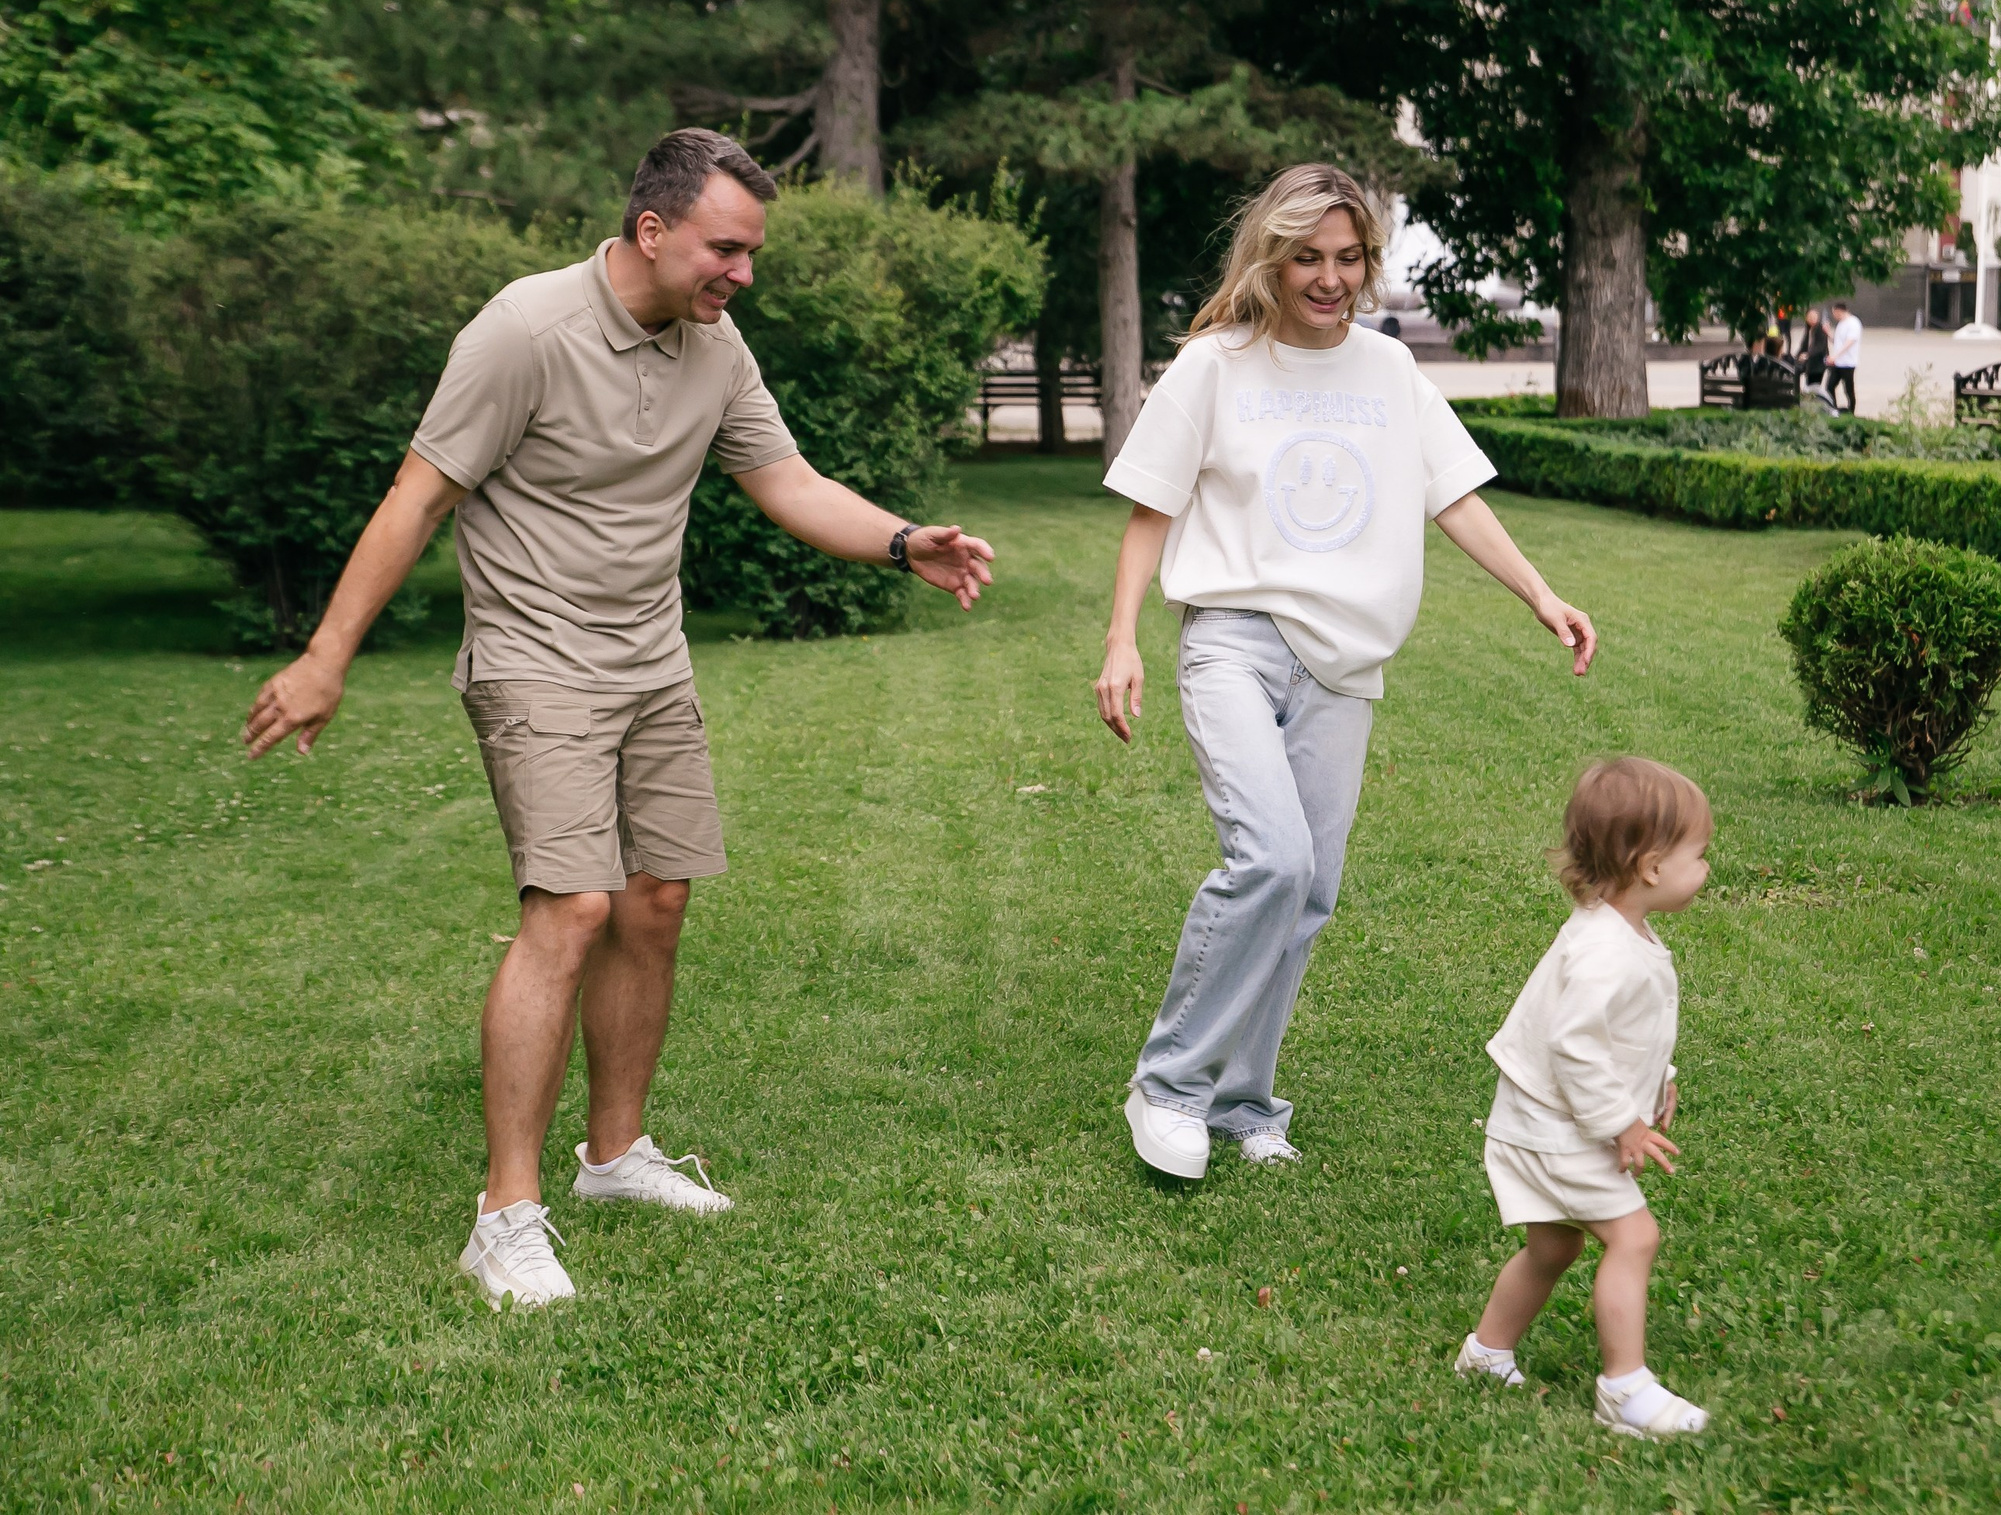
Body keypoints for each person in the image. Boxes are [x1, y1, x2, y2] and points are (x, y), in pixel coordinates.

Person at [239, 129, 997, 1311]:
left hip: (652, 658)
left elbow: (785, 481)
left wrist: (903, 542)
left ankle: (614, 1158)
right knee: (572, 907)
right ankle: (506, 1214)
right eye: (726, 249)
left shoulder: (713, 344)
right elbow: (419, 492)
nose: (743, 273)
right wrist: (327, 653)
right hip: (536, 658)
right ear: (653, 231)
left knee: (657, 901)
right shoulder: (526, 330)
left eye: (750, 253)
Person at [1095, 163, 1597, 1179]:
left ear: (1370, 262)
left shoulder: (1386, 372)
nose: (1329, 279)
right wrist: (1120, 640)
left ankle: (1242, 1102)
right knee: (1270, 859)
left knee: (1309, 889)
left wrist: (1540, 594)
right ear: (1270, 262)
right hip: (1233, 638)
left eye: (1348, 258)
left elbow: (1453, 495)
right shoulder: (1214, 366)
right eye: (1306, 259)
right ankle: (1168, 1085)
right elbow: (1151, 504)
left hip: (1343, 665)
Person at [1453, 757, 1713, 1439]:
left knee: (1553, 1248)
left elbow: (1618, 1031)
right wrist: (1621, 1121)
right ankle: (1625, 1389)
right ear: (1651, 866)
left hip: (1540, 1123)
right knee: (1635, 1235)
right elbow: (1573, 1043)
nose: (1707, 867)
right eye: (1699, 854)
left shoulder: (1619, 932)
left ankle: (1486, 1352)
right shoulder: (1605, 949)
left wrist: (1659, 1078)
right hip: (1558, 1130)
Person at [1823, 302, 1861, 414]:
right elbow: (1838, 342)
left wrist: (1835, 356)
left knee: (1848, 389)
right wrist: (1828, 333)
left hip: (1848, 363)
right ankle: (1833, 408)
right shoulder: (1841, 324)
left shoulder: (1853, 323)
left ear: (1839, 311)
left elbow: (1849, 342)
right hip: (1838, 362)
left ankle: (1851, 411)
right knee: (1829, 386)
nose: (1834, 315)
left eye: (1834, 313)